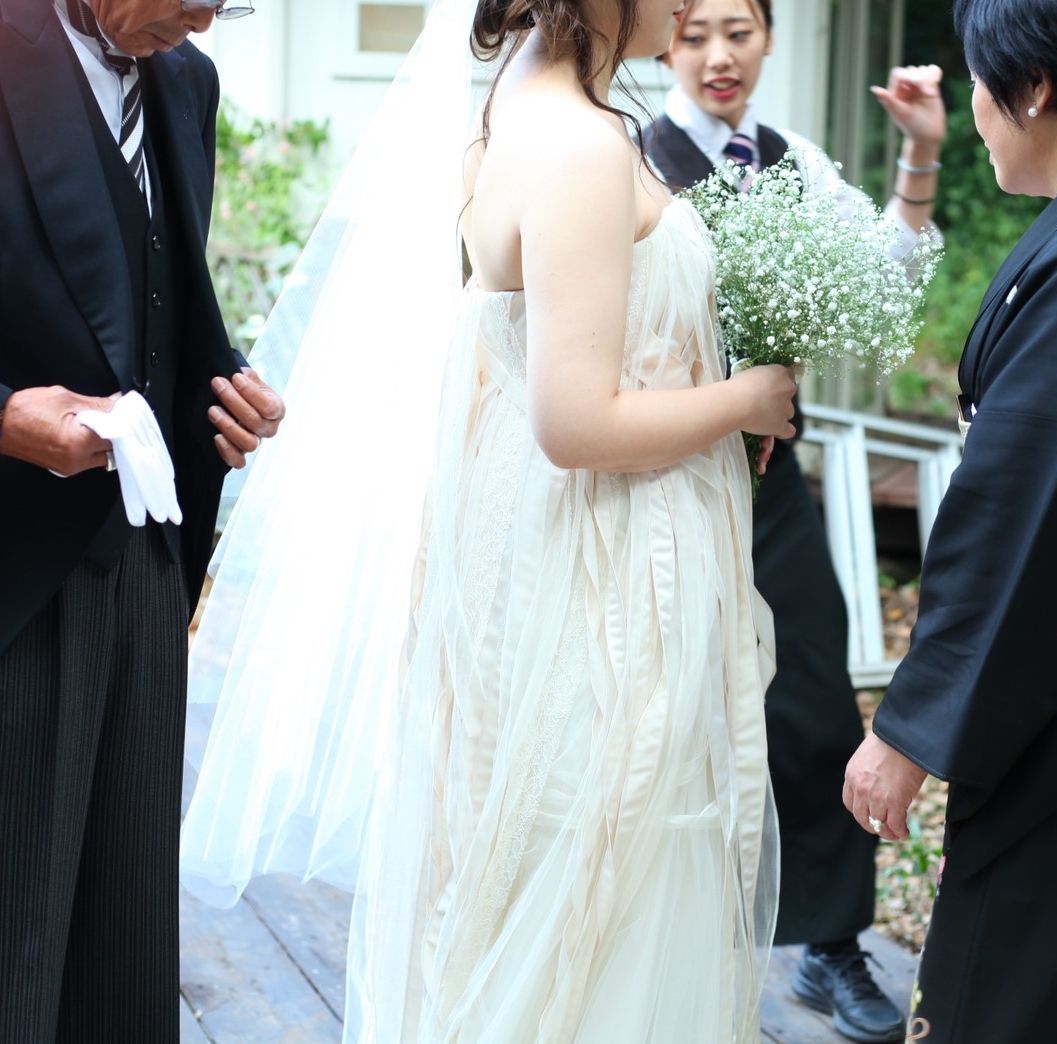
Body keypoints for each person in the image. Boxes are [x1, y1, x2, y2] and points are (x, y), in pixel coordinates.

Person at [180, 0, 798, 1039]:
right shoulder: (579, 147)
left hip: (558, 556)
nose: (689, 6)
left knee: (544, 878)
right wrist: (746, 399)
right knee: (590, 888)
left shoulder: (522, 94)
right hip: (596, 586)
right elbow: (575, 421)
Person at [842, 0, 1057, 1040]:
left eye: (980, 80)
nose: (975, 106)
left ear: (1035, 88)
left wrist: (909, 726)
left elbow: (1027, 512)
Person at [641, 2, 944, 1040]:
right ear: (664, 43)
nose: (717, 55)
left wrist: (918, 153)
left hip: (771, 492)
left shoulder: (792, 160)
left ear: (767, 37)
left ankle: (830, 945)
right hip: (657, 482)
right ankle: (660, 949)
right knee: (663, 715)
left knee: (813, 701)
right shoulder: (632, 155)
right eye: (693, 34)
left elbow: (882, 271)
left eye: (738, 30)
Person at [0, 0, 285, 1040]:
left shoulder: (185, 80)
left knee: (122, 955)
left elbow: (154, 299)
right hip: (17, 582)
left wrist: (226, 392)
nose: (205, 18)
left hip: (147, 566)